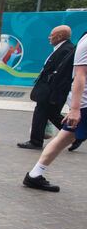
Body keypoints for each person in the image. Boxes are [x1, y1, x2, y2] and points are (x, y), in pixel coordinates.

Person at [22, 31, 87, 192]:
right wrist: (75, 108)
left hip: (77, 102)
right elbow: (80, 76)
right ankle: (34, 174)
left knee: (65, 135)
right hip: (83, 103)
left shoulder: (74, 45)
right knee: (65, 135)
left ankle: (34, 174)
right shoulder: (84, 43)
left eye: (52, 35)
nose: (49, 37)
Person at [18, 25, 76, 150]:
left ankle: (36, 141)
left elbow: (61, 74)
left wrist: (53, 92)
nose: (49, 37)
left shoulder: (66, 50)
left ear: (60, 36)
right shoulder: (63, 48)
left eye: (51, 35)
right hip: (50, 89)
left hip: (51, 90)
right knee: (52, 114)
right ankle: (76, 135)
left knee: (42, 112)